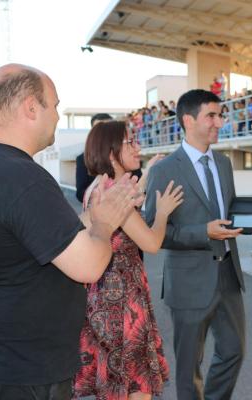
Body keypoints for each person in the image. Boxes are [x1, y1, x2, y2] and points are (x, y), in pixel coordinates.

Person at [0, 63, 141, 400]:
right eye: (54, 105)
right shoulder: (18, 175)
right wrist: (108, 220)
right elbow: (88, 264)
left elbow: (43, 242)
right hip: (19, 374)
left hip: (1, 366)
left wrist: (94, 216)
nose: (56, 115)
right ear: (30, 107)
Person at [145, 89, 245, 400]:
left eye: (220, 115)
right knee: (189, 368)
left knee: (234, 353)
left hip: (228, 275)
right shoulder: (164, 170)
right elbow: (155, 231)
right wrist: (203, 233)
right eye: (211, 116)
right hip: (188, 281)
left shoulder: (224, 163)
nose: (219, 122)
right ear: (189, 120)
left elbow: (228, 210)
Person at [73, 121, 182, 400]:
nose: (138, 147)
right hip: (124, 304)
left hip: (101, 298)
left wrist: (144, 178)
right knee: (134, 384)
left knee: (114, 384)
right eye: (130, 142)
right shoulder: (114, 196)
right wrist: (162, 213)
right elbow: (152, 243)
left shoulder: (97, 187)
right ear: (111, 153)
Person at [76, 113, 113, 202]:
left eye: (109, 128)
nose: (104, 133)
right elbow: (80, 193)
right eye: (99, 129)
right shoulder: (83, 159)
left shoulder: (126, 154)